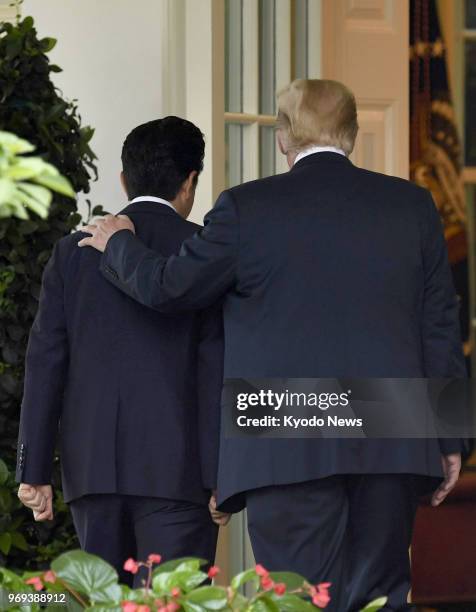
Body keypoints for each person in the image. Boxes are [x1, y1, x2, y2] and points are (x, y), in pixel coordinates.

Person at [79, 80, 466, 610]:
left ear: (282, 138)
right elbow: (440, 321)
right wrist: (450, 439)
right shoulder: (413, 206)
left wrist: (119, 243)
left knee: (296, 599)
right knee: (381, 598)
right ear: (351, 135)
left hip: (287, 426)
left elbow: (170, 289)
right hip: (391, 429)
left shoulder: (246, 208)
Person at [16, 117, 227, 585]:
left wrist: (33, 470)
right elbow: (217, 366)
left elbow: (46, 360)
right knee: (174, 601)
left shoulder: (72, 253)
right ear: (191, 182)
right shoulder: (203, 252)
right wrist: (222, 475)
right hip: (181, 474)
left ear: (123, 179)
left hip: (93, 472)